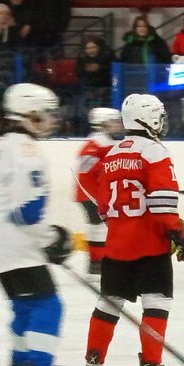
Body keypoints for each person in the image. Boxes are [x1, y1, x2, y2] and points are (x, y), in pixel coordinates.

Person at [0, 83, 77, 366]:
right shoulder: (28, 151)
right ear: (28, 116)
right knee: (49, 307)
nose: (50, 120)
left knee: (25, 307)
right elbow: (27, 212)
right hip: (14, 241)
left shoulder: (6, 146)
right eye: (45, 114)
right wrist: (51, 238)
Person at [79, 93, 184, 366]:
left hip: (115, 245)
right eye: (159, 115)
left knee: (108, 304)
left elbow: (99, 198)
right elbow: (161, 203)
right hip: (149, 244)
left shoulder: (113, 154)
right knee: (157, 303)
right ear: (148, 118)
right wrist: (178, 232)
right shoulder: (155, 152)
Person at [75, 107, 123, 274]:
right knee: (100, 228)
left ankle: (97, 263)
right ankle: (98, 263)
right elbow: (88, 164)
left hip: (96, 194)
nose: (117, 125)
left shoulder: (105, 141)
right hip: (90, 194)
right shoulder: (96, 141)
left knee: (100, 228)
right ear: (102, 124)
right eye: (113, 122)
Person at [75, 36, 114, 107]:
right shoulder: (82, 57)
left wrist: (100, 68)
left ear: (99, 47)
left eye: (93, 47)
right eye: (87, 48)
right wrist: (86, 70)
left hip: (106, 87)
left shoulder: (108, 55)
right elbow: (78, 72)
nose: (90, 51)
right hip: (88, 87)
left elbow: (113, 71)